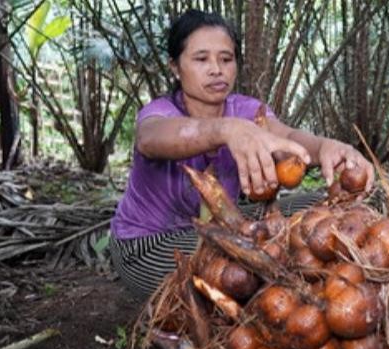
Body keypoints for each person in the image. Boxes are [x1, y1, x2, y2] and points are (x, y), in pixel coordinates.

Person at [110, 9, 374, 296]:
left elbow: (286, 136)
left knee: (334, 209)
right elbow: (150, 138)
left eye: (226, 59)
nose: (216, 69)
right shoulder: (161, 112)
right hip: (151, 243)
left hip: (225, 227)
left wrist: (326, 147)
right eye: (201, 59)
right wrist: (226, 130)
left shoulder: (246, 110)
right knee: (246, 268)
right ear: (175, 66)